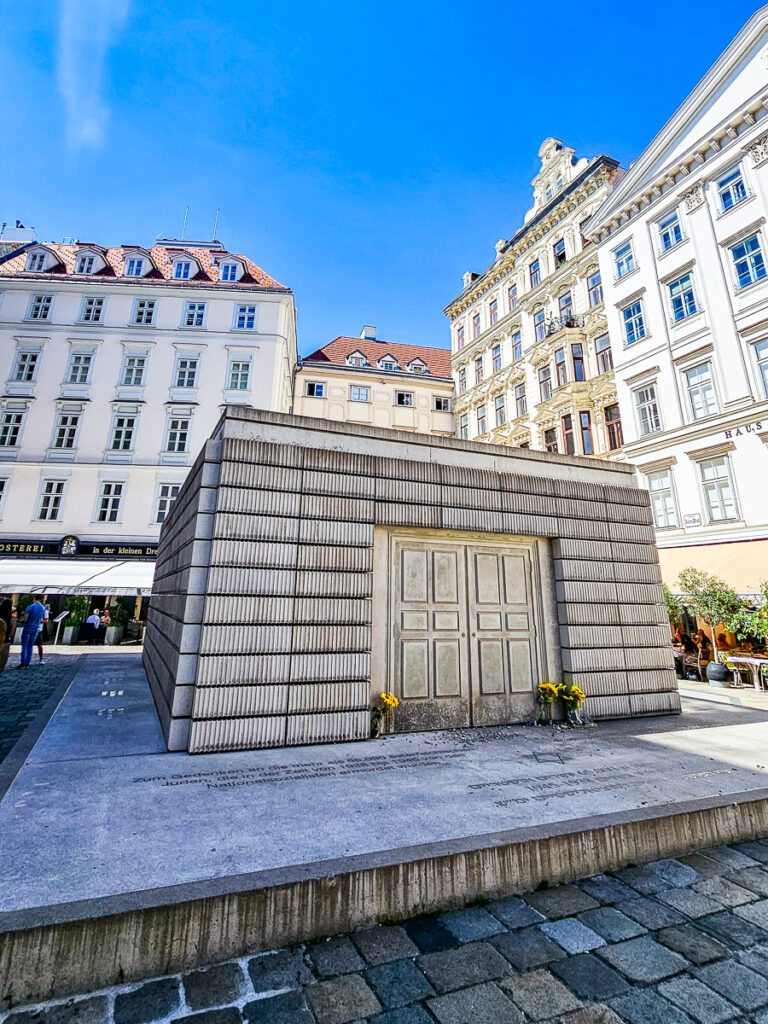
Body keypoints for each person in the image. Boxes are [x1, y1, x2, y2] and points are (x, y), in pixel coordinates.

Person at [18, 599, 48, 669]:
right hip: (36, 628)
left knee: (25, 645)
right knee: (30, 646)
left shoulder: (30, 607)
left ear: (34, 599)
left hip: (28, 627)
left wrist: (22, 620)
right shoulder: (43, 608)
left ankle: (23, 663)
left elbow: (26, 619)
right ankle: (28, 663)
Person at [0, 598, 12, 675]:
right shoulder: (10, 617)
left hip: (2, 640)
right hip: (6, 640)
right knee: (3, 659)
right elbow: (12, 629)